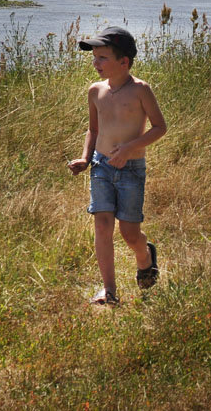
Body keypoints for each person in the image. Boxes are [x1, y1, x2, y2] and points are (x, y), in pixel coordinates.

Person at [68, 26, 167, 306]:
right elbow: (93, 129)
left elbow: (160, 127)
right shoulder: (95, 91)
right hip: (101, 166)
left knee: (129, 233)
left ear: (123, 62)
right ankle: (108, 291)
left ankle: (145, 257)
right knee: (102, 226)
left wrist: (129, 148)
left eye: (102, 58)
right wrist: (85, 158)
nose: (95, 63)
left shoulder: (140, 90)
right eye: (94, 57)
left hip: (131, 170)